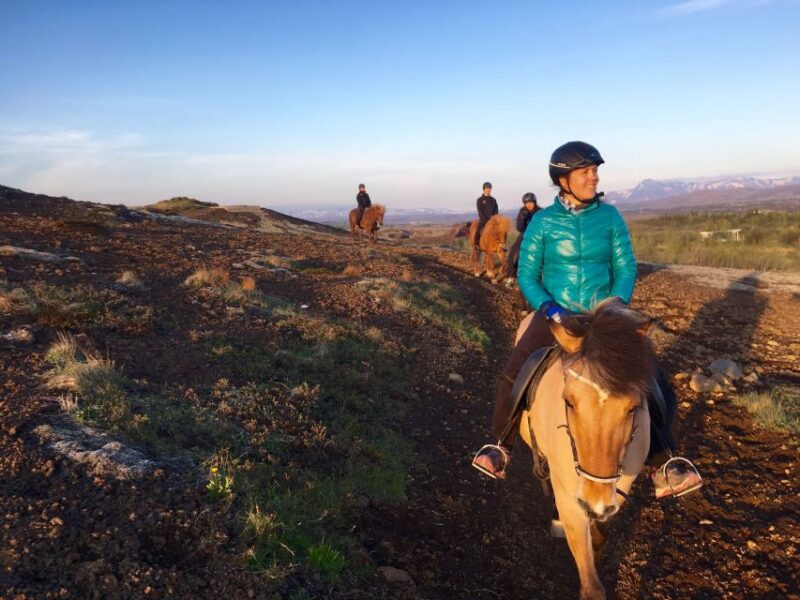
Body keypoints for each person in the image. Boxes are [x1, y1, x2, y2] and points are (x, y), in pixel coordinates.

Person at [472, 141, 703, 500]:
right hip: (556, 312)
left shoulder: (610, 217)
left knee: (650, 375)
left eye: (595, 170)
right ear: (563, 180)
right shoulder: (543, 222)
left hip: (604, 315)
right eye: (585, 171)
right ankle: (500, 445)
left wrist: (616, 305)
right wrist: (550, 309)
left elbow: (625, 268)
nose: (593, 177)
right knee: (516, 368)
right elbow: (528, 274)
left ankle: (666, 461)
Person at [504, 192, 540, 282]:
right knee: (513, 252)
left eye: (530, 202)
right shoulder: (522, 211)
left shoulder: (540, 211)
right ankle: (510, 276)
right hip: (525, 234)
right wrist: (522, 218)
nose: (528, 205)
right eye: (526, 203)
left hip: (538, 236)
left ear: (534, 202)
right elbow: (519, 228)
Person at [474, 181, 498, 250]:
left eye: (489, 188)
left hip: (492, 221)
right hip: (483, 220)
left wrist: (494, 220)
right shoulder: (480, 200)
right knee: (478, 231)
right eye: (487, 188)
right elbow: (480, 212)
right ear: (484, 189)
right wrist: (485, 220)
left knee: (500, 231)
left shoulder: (493, 200)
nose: (488, 190)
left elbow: (496, 211)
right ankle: (476, 245)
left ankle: (501, 246)